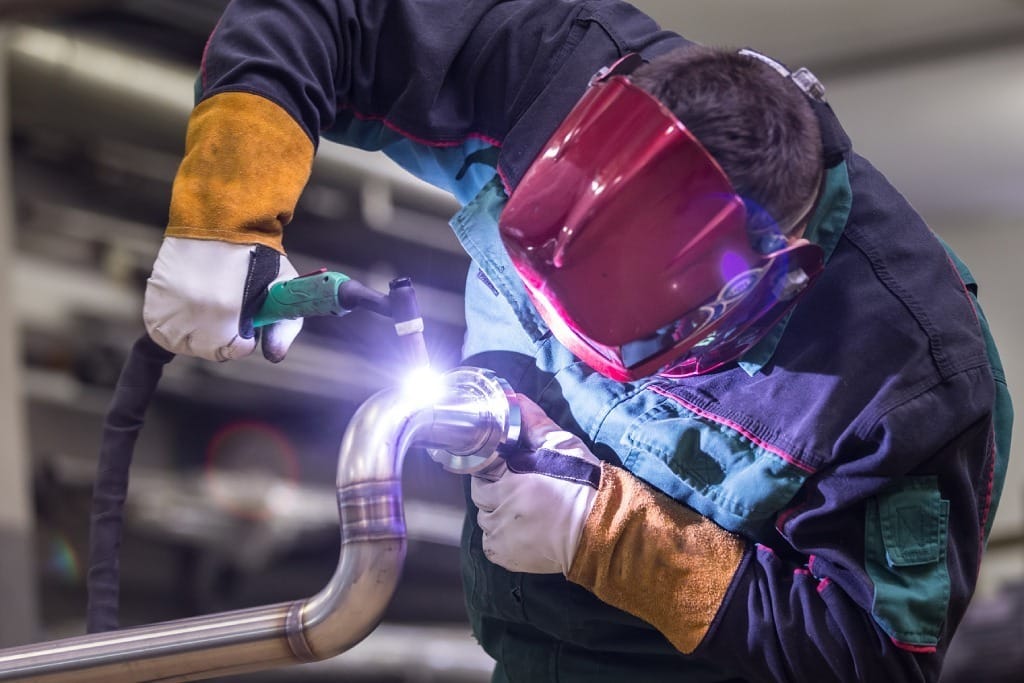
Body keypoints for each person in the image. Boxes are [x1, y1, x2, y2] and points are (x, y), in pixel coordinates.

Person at [142, 1, 1013, 681]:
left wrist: (607, 533)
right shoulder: (553, 71)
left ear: (767, 283)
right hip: (523, 646)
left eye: (614, 338)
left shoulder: (908, 382)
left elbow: (877, 655)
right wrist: (228, 214)